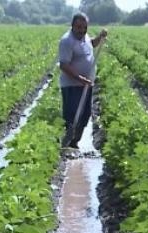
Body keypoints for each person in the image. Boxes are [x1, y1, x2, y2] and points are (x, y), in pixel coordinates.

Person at [58, 12, 108, 148]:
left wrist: (100, 37)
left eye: (84, 27)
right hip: (72, 85)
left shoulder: (84, 37)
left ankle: (75, 143)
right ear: (72, 26)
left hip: (86, 84)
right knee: (72, 115)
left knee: (85, 114)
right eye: (79, 27)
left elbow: (90, 44)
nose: (82, 30)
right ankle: (66, 144)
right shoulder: (67, 41)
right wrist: (80, 78)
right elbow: (64, 65)